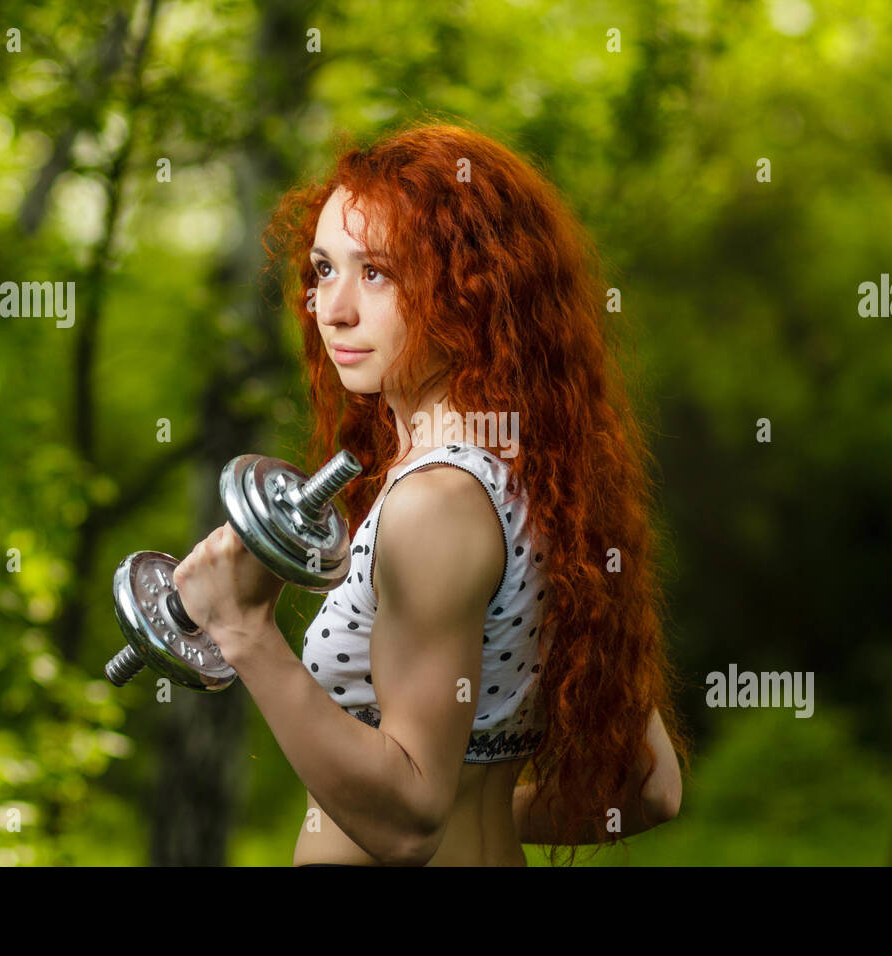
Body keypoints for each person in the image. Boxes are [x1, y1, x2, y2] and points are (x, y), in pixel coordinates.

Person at [171, 120, 692, 867]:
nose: (333, 307)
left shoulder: (437, 503)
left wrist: (245, 631)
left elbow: (410, 821)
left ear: (472, 287)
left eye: (377, 272)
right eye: (323, 269)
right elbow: (648, 789)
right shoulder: (540, 482)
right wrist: (474, 814)